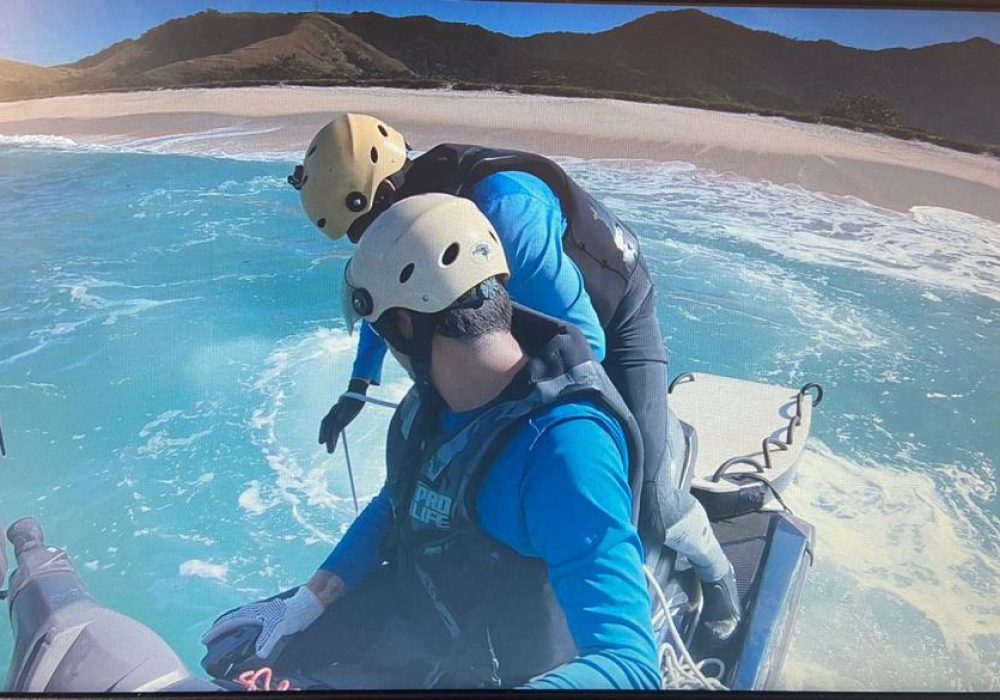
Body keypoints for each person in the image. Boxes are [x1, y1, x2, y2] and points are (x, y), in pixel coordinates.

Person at [287, 113, 740, 641]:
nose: (364, 246)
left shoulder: (506, 209)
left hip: (613, 310)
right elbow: (392, 296)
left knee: (649, 497)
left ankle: (718, 576)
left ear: (386, 190)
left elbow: (581, 347)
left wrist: (533, 429)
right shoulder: (407, 231)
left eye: (362, 231)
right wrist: (359, 387)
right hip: (510, 308)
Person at [203, 195, 661, 689]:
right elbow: (402, 500)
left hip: (511, 674)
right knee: (232, 659)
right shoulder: (434, 406)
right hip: (434, 636)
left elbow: (630, 665)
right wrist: (312, 597)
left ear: (404, 325)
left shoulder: (566, 452)